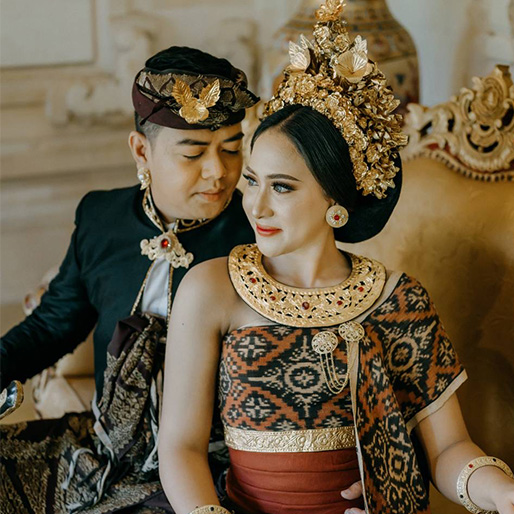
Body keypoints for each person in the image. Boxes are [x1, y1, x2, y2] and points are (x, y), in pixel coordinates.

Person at [158, 3, 514, 514]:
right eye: (252, 181)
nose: (256, 206)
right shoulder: (211, 288)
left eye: (282, 187)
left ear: (335, 202)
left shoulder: (396, 300)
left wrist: (502, 492)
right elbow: (181, 448)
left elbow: (449, 450)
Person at [0, 46, 260, 513]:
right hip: (104, 451)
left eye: (231, 148)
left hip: (215, 467)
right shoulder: (101, 219)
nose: (219, 172)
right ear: (142, 151)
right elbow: (53, 325)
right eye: (194, 153)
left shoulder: (259, 234)